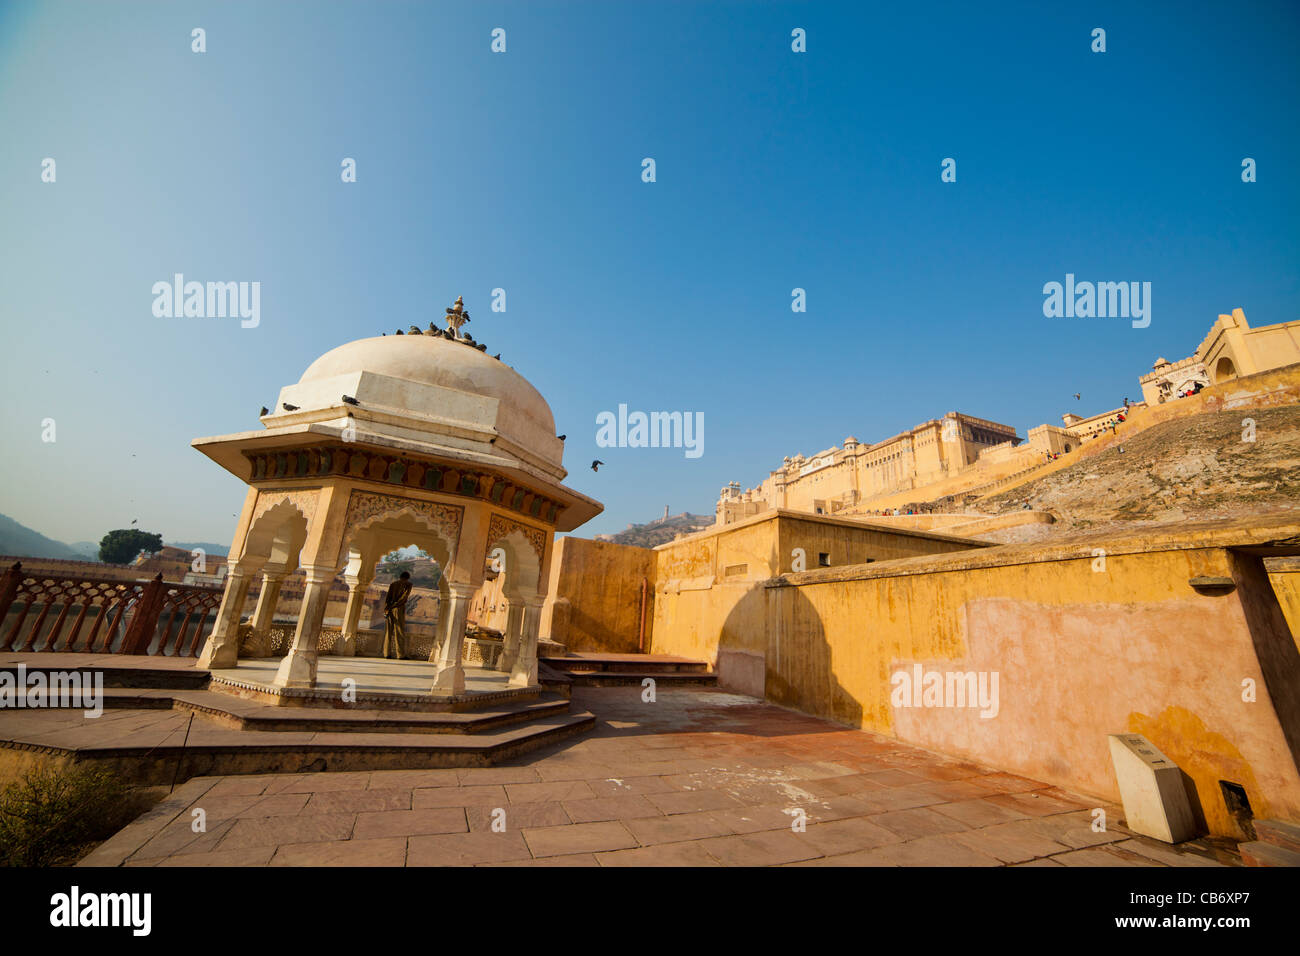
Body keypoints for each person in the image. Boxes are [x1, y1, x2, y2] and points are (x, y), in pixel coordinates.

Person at [382, 571, 412, 660]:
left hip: (389, 608)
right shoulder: (408, 584)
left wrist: (387, 608)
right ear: (407, 578)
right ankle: (400, 655)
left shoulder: (393, 584)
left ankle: (386, 653)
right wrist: (395, 605)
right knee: (399, 631)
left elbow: (388, 598)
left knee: (389, 631)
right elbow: (404, 597)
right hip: (398, 608)